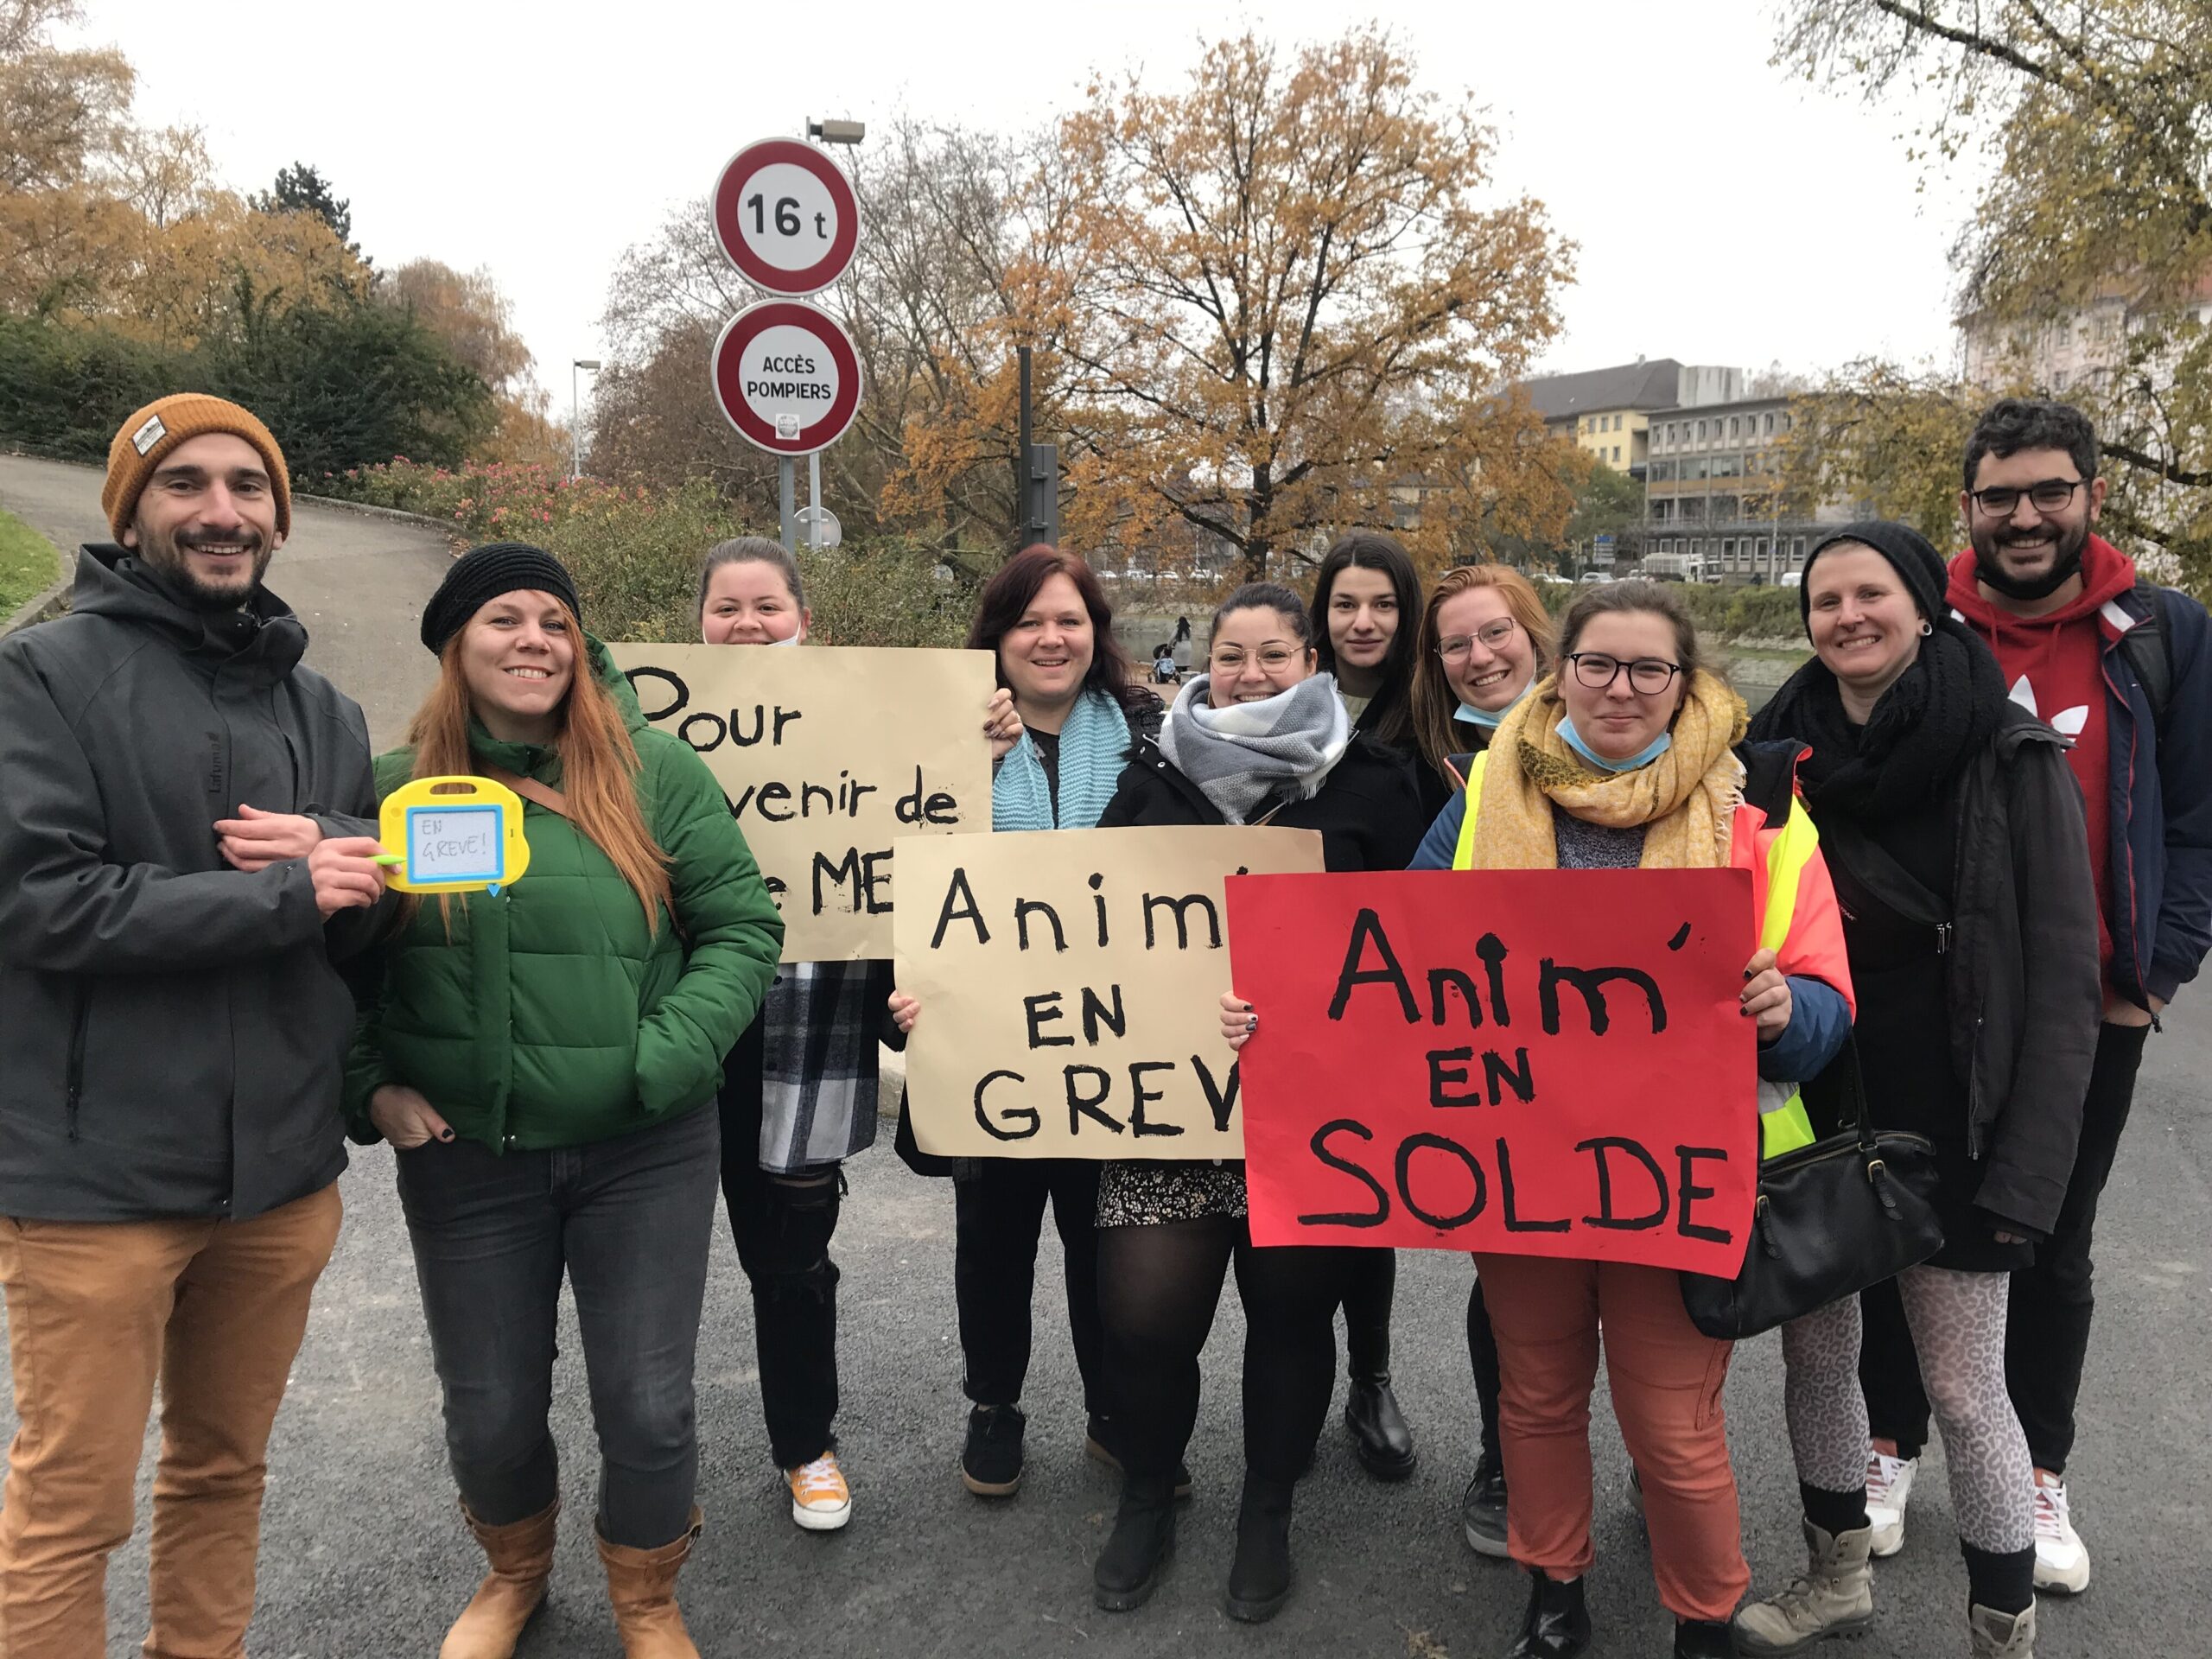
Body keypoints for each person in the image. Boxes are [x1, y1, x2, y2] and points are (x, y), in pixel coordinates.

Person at [0, 395, 392, 1657]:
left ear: (278, 515)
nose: (222, 512)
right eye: (186, 486)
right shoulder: (41, 675)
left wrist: (343, 859)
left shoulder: (325, 709)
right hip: (94, 1180)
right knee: (70, 1511)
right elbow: (41, 903)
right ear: (131, 511)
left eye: (248, 487)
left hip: (278, 1180)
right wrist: (286, 889)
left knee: (224, 1474)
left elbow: (357, 925)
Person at [346, 542, 783, 1659]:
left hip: (646, 1146)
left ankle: (646, 1594)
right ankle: (515, 1573)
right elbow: (335, 964)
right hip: (466, 1158)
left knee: (648, 1402)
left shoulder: (655, 774)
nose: (533, 638)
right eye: (503, 618)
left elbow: (743, 928)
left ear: (581, 646)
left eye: (554, 619)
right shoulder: (392, 789)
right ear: (455, 646)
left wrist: (664, 1060)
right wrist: (373, 1088)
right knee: (488, 1408)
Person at [1408, 580, 1854, 1659]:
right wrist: (1274, 1016)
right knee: (1539, 1399)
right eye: (1597, 665)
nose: (1620, 688)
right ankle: (1553, 1590)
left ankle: (1702, 1616)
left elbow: (1828, 1010)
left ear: (1683, 681)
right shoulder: (1479, 800)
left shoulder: (1762, 815)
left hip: (1685, 1173)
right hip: (1521, 1167)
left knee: (1673, 1424)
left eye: (1647, 669)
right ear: (1559, 671)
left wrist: (1784, 1012)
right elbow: (1398, 970)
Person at [1859, 400, 2212, 1594]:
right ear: (1967, 507)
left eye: (2048, 491)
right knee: (1898, 1223)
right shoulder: (1923, 622)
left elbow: (2195, 820)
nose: (2025, 516)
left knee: (2049, 1238)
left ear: (2091, 497)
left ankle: (2040, 1469)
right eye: (2000, 496)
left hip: (2082, 1006)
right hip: (1928, 995)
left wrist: (2152, 976)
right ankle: (1889, 1443)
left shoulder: (2161, 635)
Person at [1738, 524, 2101, 1659]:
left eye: (1871, 593)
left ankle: (2002, 1630)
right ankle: (1835, 1577)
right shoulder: (1769, 757)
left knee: (1961, 1385)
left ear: (1925, 604)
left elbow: (2063, 978)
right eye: (1825, 599)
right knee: (1818, 1356)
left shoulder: (2008, 751)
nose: (1847, 616)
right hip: (1812, 1089)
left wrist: (2030, 1171)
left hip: (1959, 1105)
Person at [1081, 582, 1427, 1620]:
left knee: (1290, 1316)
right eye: (1229, 656)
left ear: (1313, 660)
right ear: (1201, 665)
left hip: (1319, 1108)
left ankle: (1265, 1510)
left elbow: (1421, 950)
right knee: (1144, 1326)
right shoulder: (1150, 778)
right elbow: (1072, 924)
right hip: (1171, 1103)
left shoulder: (1372, 784)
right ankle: (1147, 1491)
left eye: (1273, 655)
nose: (1248, 675)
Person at [889, 545, 1160, 1500]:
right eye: (1028, 622)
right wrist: (903, 994)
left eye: (1070, 620)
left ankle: (1110, 1410)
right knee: (992, 1243)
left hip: (1111, 1046)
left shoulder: (1147, 740)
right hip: (985, 1052)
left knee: (1103, 1244)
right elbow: (893, 883)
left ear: (1097, 636)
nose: (1050, 638)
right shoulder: (939, 743)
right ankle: (994, 1405)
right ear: (995, 638)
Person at [697, 538, 902, 1533]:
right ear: (697, 626)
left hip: (803, 1037)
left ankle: (804, 1444)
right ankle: (641, 1461)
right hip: (678, 1036)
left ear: (803, 620)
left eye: (767, 607)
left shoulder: (868, 732)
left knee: (789, 1259)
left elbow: (925, 855)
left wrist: (967, 742)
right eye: (727, 609)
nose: (747, 625)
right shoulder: (647, 737)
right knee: (634, 1261)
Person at [1404, 562, 1554, 1559]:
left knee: (1642, 1299)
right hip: (1510, 1075)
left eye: (1494, 633)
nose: (1478, 657)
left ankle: (1637, 1459)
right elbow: (1408, 924)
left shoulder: (1668, 752)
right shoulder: (1468, 784)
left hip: (1633, 1072)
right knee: (1511, 1288)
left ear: (1537, 637)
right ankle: (1511, 1460)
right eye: (1455, 645)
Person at [1307, 531, 1430, 1482]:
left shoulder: (1432, 717)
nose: (1362, 622)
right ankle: (1304, 1382)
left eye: (1381, 604)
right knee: (1308, 1199)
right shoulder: (1285, 705)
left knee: (1369, 1194)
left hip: (1399, 992)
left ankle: (1372, 1375)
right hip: (1295, 987)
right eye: (1346, 603)